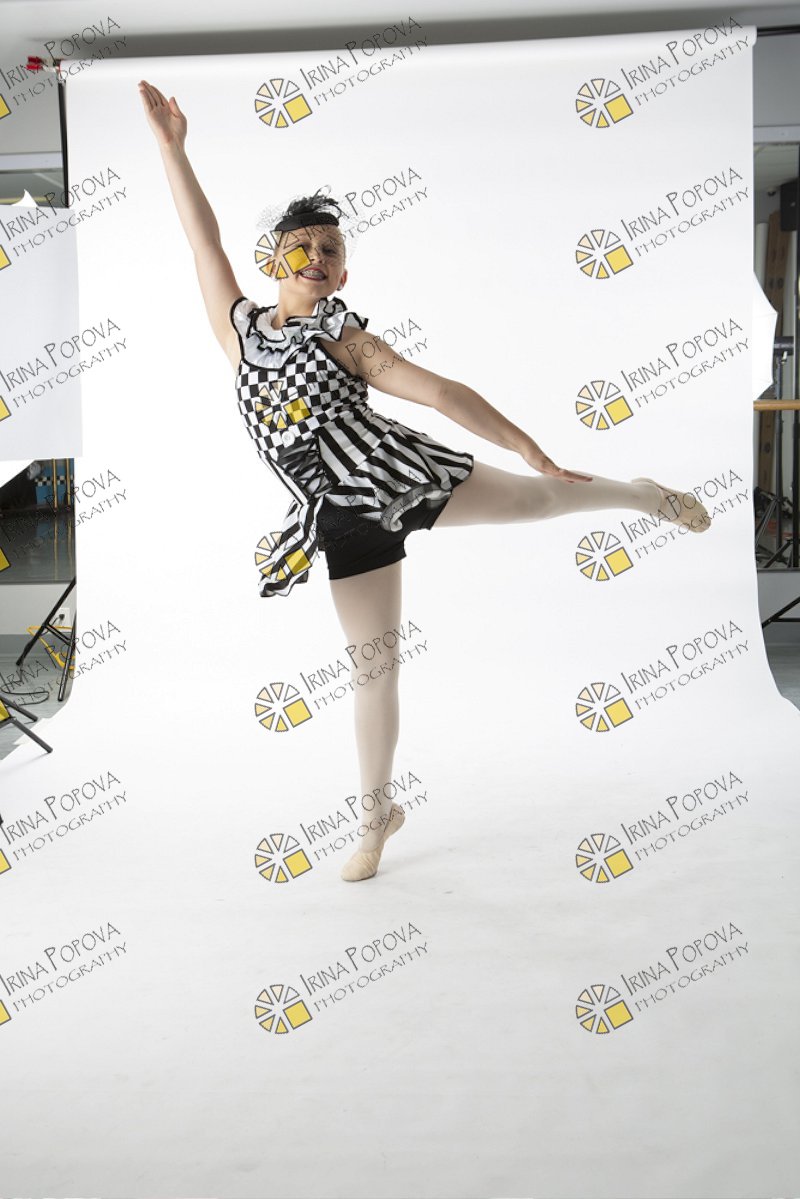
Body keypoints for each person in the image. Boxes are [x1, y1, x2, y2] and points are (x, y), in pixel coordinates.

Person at [139, 80, 712, 883]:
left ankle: (644, 494)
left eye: (331, 250)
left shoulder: (345, 338)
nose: (316, 258)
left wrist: (528, 446)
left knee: (541, 499)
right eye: (302, 247)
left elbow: (439, 392)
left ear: (343, 272)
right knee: (373, 666)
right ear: (275, 260)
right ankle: (377, 816)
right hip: (338, 516)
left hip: (400, 473)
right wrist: (173, 150)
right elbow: (203, 244)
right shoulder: (239, 331)